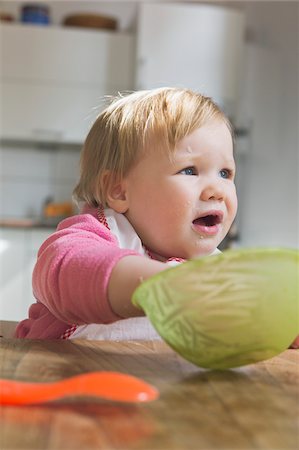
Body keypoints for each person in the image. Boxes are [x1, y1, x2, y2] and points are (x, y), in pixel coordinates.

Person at [11, 87, 262, 342]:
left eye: (225, 173)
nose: (216, 191)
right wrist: (166, 287)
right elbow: (63, 269)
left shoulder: (216, 272)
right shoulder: (97, 234)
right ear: (119, 191)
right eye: (189, 171)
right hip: (59, 376)